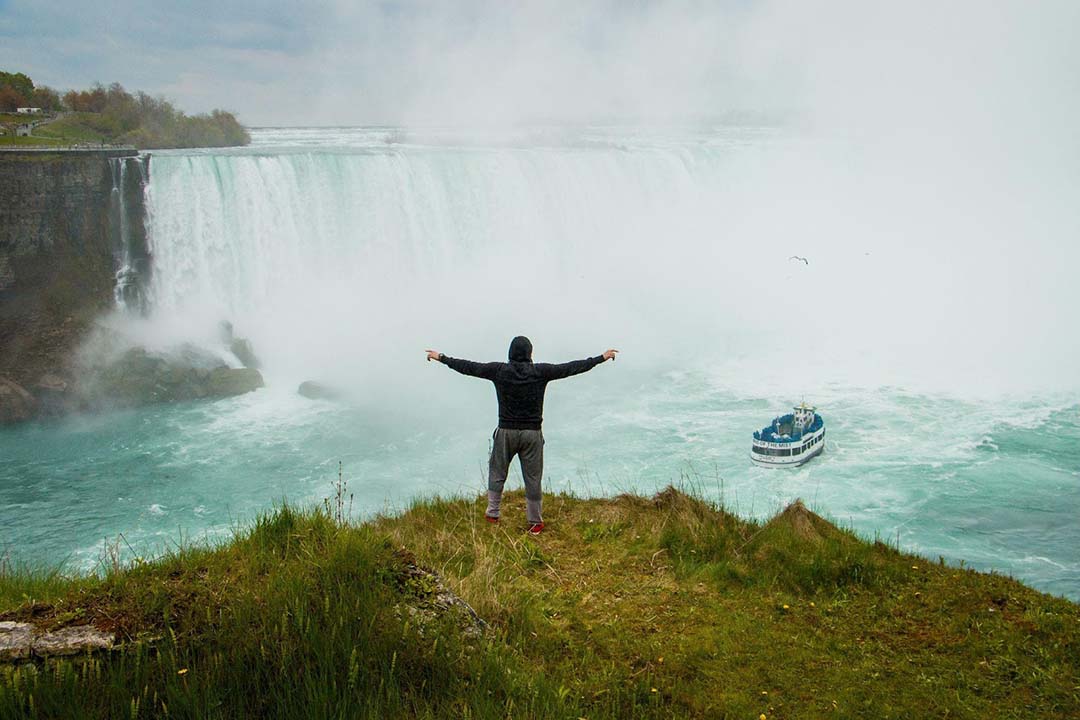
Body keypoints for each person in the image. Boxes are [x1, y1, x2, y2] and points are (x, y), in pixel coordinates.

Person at [426, 336, 617, 534]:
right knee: (533, 478)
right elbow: (571, 368)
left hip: (506, 432)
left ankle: (493, 513)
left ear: (510, 353)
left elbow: (468, 367)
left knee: (497, 472)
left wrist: (442, 357)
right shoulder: (540, 372)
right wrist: (600, 358)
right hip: (532, 434)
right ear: (530, 353)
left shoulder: (498, 371)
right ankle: (535, 522)